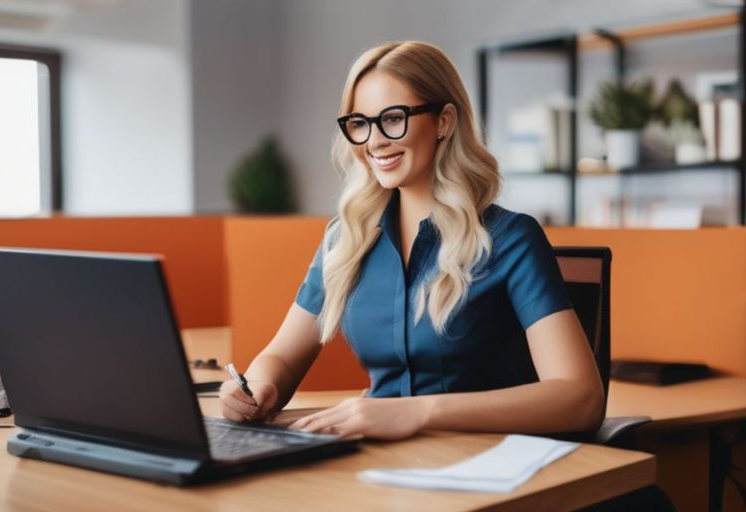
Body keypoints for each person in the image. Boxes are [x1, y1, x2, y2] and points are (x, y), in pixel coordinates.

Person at [219, 41, 603, 441]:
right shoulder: (347, 239)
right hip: (377, 462)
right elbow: (281, 356)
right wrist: (256, 387)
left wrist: (418, 412)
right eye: (360, 123)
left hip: (483, 464)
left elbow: (580, 397)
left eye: (393, 118)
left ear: (444, 121)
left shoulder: (510, 240)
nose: (374, 141)